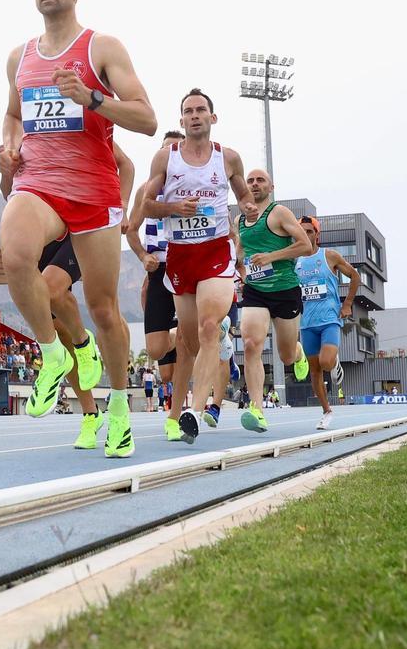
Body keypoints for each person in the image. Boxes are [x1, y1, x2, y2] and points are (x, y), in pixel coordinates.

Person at [0, 0, 157, 459]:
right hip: (38, 184)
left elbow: (148, 119)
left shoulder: (101, 48)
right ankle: (51, 353)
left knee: (105, 310)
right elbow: (11, 113)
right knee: (15, 251)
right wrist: (9, 143)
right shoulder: (18, 57)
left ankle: (117, 410)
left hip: (93, 194)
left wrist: (91, 98)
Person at [139, 88, 256, 444]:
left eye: (200, 110)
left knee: (208, 326)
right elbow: (146, 206)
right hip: (180, 255)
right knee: (188, 342)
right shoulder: (165, 159)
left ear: (212, 118)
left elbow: (244, 198)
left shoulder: (228, 158)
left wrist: (249, 209)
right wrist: (174, 209)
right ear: (181, 121)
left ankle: (195, 409)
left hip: (215, 251)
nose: (194, 116)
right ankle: (176, 413)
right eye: (188, 111)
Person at [233, 168, 312, 433]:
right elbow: (241, 252)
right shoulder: (240, 220)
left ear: (271, 186)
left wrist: (271, 256)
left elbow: (305, 246)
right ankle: (257, 409)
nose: (254, 184)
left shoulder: (279, 213)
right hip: (255, 291)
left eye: (260, 180)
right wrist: (241, 272)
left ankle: (299, 353)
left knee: (286, 356)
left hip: (285, 289)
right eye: (250, 181)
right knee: (251, 343)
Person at [129, 129, 186, 433]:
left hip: (187, 267)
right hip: (158, 270)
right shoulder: (145, 192)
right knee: (155, 350)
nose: (169, 156)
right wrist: (142, 256)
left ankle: (176, 416)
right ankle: (178, 333)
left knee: (188, 345)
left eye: (176, 151)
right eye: (165, 151)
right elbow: (131, 231)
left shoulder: (195, 187)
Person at [296, 216, 360, 429]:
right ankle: (326, 412)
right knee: (315, 371)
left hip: (329, 320)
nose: (305, 235)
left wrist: (348, 304)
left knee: (325, 362)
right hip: (306, 324)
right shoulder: (294, 261)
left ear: (316, 235)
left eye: (309, 231)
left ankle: (334, 361)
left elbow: (355, 276)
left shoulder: (329, 256)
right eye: (301, 231)